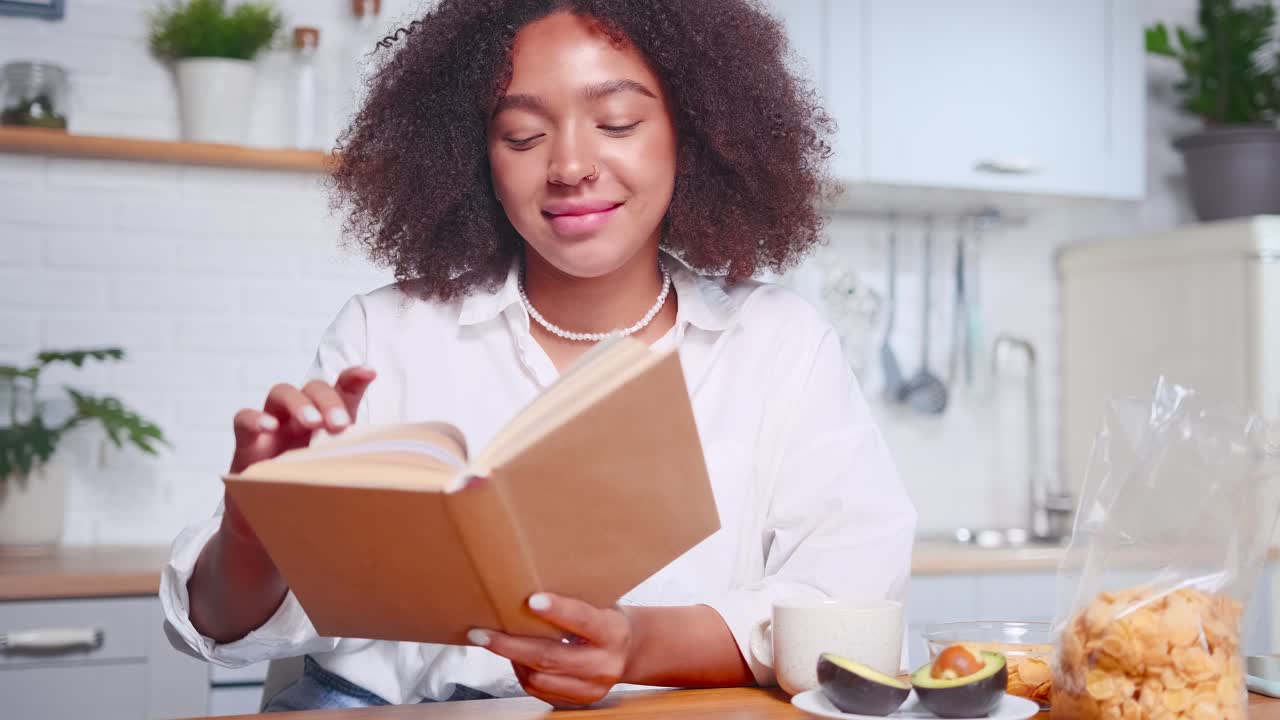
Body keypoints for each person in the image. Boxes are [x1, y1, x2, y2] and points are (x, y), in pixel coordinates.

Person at [160, 0, 916, 711]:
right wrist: (255, 532)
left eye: (617, 122)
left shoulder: (780, 343)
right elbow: (221, 624)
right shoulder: (385, 333)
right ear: (478, 158)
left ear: (692, 135)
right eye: (522, 136)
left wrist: (638, 645)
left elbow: (851, 598)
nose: (570, 166)